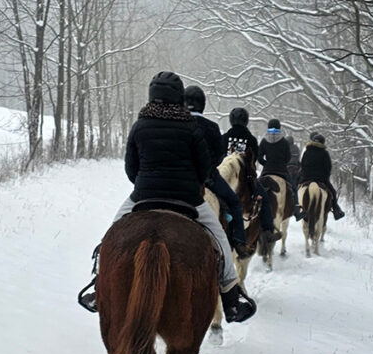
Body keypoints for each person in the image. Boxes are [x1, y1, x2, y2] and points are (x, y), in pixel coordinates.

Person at [78, 71, 256, 323]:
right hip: (188, 198)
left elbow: (131, 168)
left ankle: (98, 283)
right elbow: (206, 168)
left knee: (110, 236)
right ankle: (230, 297)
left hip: (143, 196)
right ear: (177, 97)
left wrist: (146, 183)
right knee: (221, 241)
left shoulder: (139, 125)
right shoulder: (191, 127)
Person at [184, 84, 248, 257]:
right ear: (202, 104)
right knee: (234, 203)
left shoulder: (177, 123)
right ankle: (239, 242)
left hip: (180, 177)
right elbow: (220, 156)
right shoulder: (211, 126)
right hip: (208, 178)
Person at [221, 107, 280, 243]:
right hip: (246, 181)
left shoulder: (224, 137)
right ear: (246, 121)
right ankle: (267, 231)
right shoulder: (251, 139)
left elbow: (219, 157)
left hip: (224, 178)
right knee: (264, 200)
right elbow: (253, 161)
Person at [259, 118, 302, 219]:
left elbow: (259, 157)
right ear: (279, 128)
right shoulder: (284, 142)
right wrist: (282, 164)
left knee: (257, 187)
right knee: (294, 189)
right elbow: (288, 157)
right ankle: (296, 210)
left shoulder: (264, 141)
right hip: (281, 171)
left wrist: (266, 163)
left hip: (267, 170)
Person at [299, 131, 345, 220]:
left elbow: (303, 165)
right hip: (321, 179)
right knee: (333, 192)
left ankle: (296, 207)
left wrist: (305, 175)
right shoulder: (325, 153)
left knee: (296, 189)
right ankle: (336, 210)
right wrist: (325, 177)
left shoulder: (307, 151)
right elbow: (328, 168)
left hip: (307, 177)